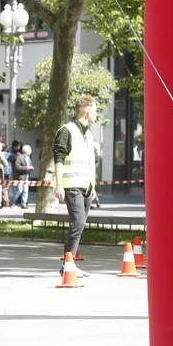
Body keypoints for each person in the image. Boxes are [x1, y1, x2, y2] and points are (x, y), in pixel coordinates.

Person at [53, 95, 99, 273]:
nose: (96, 114)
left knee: (79, 225)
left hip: (86, 186)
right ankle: (67, 265)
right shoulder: (66, 130)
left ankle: (70, 265)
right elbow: (58, 158)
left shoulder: (88, 134)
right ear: (86, 110)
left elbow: (88, 162)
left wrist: (92, 186)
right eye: (95, 109)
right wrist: (58, 185)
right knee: (78, 223)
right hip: (71, 184)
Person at [12, 144, 34, 209]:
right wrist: (27, 168)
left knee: (25, 191)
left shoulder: (29, 158)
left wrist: (30, 168)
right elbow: (17, 167)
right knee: (19, 190)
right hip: (20, 177)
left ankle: (23, 204)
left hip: (26, 177)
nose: (31, 151)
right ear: (27, 151)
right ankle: (13, 202)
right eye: (30, 150)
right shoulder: (20, 157)